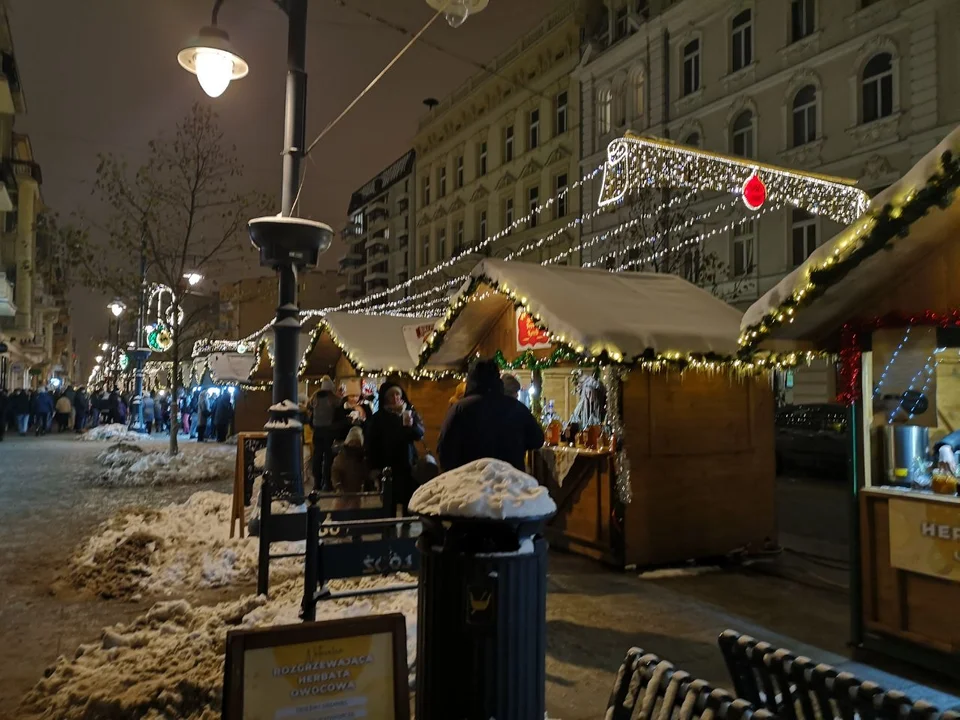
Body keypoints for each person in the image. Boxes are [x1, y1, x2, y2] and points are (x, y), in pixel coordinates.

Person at [438, 358, 544, 472]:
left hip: (472, 482)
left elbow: (444, 450)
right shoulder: (516, 407)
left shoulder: (459, 409)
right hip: (510, 482)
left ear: (471, 380)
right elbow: (537, 440)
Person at [366, 383, 425, 512]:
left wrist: (411, 426)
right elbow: (371, 443)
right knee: (389, 501)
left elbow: (419, 435)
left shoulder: (410, 413)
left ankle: (406, 526)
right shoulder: (379, 418)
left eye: (397, 394)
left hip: (408, 464)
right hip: (387, 465)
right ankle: (390, 528)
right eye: (391, 395)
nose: (395, 397)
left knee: (408, 500)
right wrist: (373, 467)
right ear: (385, 398)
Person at [309, 378, 349, 491]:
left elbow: (311, 420)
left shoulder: (315, 399)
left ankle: (317, 483)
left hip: (317, 433)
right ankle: (327, 483)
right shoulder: (334, 400)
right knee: (328, 459)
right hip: (330, 433)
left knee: (317, 458)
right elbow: (341, 418)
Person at [331, 426, 369, 495]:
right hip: (343, 493)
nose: (354, 444)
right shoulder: (342, 457)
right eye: (352, 442)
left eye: (356, 442)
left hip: (356, 492)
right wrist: (338, 485)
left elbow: (365, 474)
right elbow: (335, 472)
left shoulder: (361, 458)